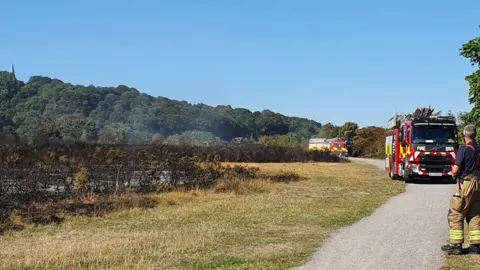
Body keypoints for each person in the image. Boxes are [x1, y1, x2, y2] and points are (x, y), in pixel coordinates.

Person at [442, 124, 480, 255]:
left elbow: (456, 169)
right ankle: (475, 247)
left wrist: (453, 171)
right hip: (478, 184)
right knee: (475, 214)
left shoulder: (463, 150)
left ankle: (456, 245)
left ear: (464, 135)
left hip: (466, 184)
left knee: (456, 212)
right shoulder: (479, 149)